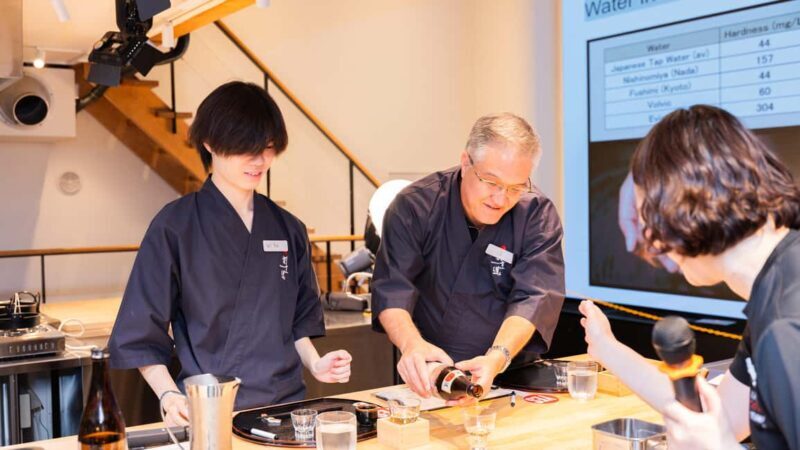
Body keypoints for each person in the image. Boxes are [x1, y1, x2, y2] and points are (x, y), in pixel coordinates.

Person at [108, 81, 351, 426]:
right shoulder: (174, 226)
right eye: (245, 148)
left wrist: (316, 363)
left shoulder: (288, 228)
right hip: (209, 411)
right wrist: (168, 395)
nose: (259, 160)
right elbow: (140, 334)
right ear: (209, 143)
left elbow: (298, 323)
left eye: (267, 148)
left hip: (288, 411)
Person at [582, 104, 800, 449]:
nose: (651, 242)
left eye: (646, 217)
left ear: (680, 207)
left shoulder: (786, 324)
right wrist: (607, 349)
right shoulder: (776, 284)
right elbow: (721, 416)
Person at [372, 113, 565, 402]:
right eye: (491, 182)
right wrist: (412, 345)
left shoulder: (536, 213)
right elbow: (392, 290)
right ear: (466, 162)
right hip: (429, 373)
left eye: (516, 187)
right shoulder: (415, 206)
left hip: (509, 374)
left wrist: (497, 357)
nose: (501, 199)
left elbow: (535, 298)